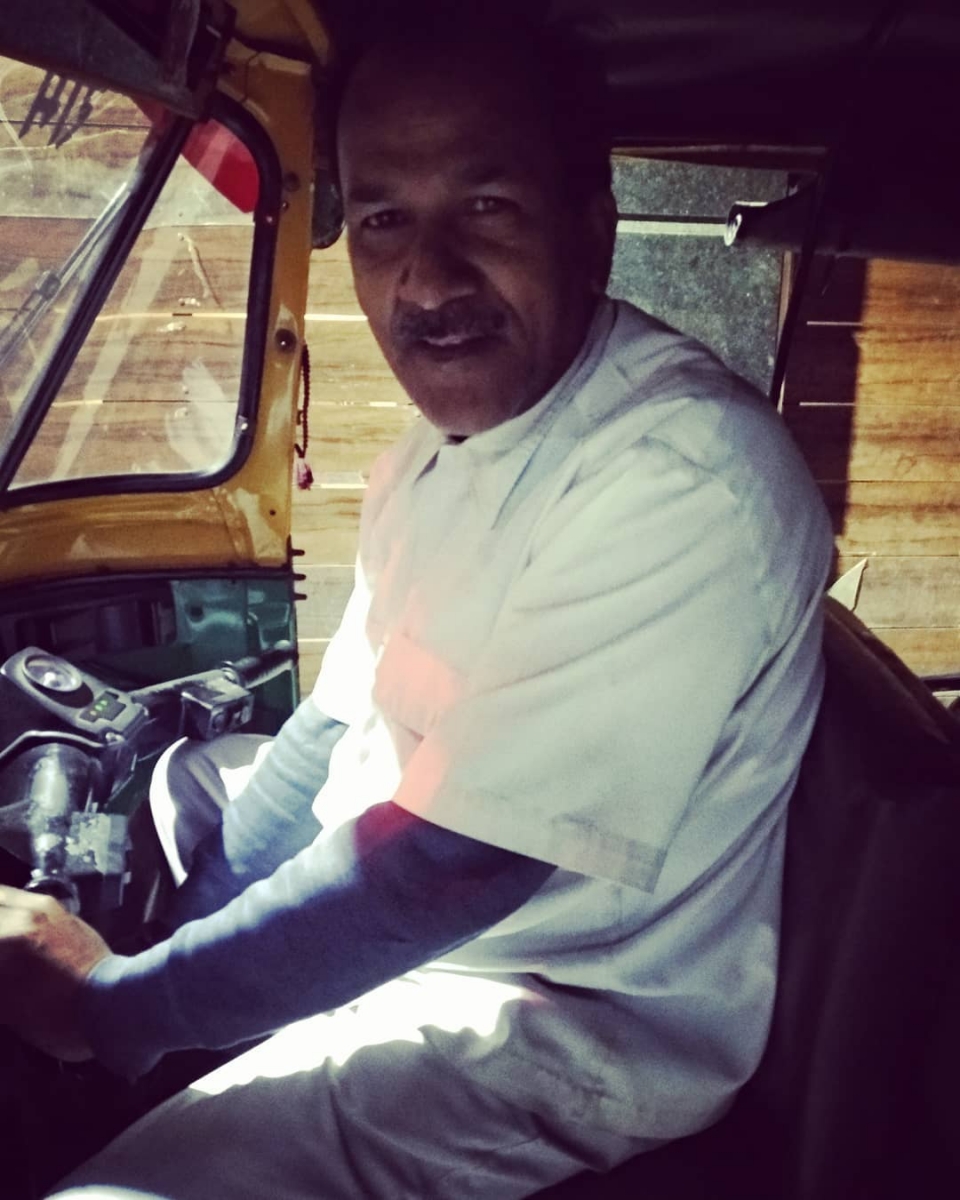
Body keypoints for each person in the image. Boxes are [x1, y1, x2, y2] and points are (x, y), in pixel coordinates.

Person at [0, 6, 833, 1197]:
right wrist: (164, 955)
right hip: (411, 945)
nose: (428, 277)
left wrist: (116, 1010)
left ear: (591, 228)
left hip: (544, 1023)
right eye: (385, 218)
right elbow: (328, 734)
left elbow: (452, 867)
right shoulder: (432, 455)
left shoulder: (680, 476)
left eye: (486, 205)